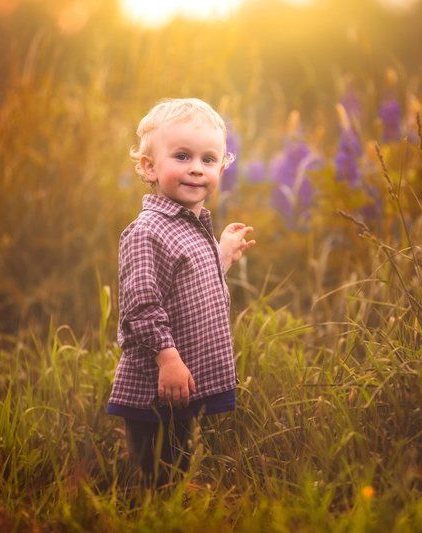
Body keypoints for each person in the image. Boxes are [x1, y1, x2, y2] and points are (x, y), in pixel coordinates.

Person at [107, 98, 255, 488]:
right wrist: (167, 358)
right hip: (156, 379)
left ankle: (174, 501)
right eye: (182, 156)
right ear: (149, 167)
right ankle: (149, 508)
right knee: (156, 465)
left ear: (222, 167)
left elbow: (189, 285)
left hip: (181, 380)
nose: (196, 168)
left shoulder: (191, 225)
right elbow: (140, 307)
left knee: (178, 456)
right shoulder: (146, 232)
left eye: (209, 159)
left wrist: (221, 254)